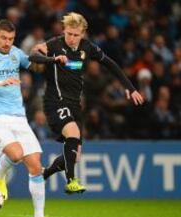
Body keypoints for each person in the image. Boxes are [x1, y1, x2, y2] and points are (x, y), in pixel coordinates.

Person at [29, 12, 144, 192]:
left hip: (75, 104)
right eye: (69, 34)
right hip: (55, 101)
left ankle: (44, 174)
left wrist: (129, 87)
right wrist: (52, 58)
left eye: (76, 35)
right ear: (64, 30)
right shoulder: (55, 44)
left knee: (74, 156)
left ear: (82, 34)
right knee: (73, 134)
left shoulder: (87, 48)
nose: (72, 38)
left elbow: (110, 64)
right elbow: (33, 57)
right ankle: (71, 181)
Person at [0, 19, 52, 217]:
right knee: (16, 155)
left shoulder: (16, 53)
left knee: (36, 166)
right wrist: (1, 82)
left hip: (19, 117)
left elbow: (35, 66)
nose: (7, 43)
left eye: (11, 39)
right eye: (4, 38)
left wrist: (39, 53)